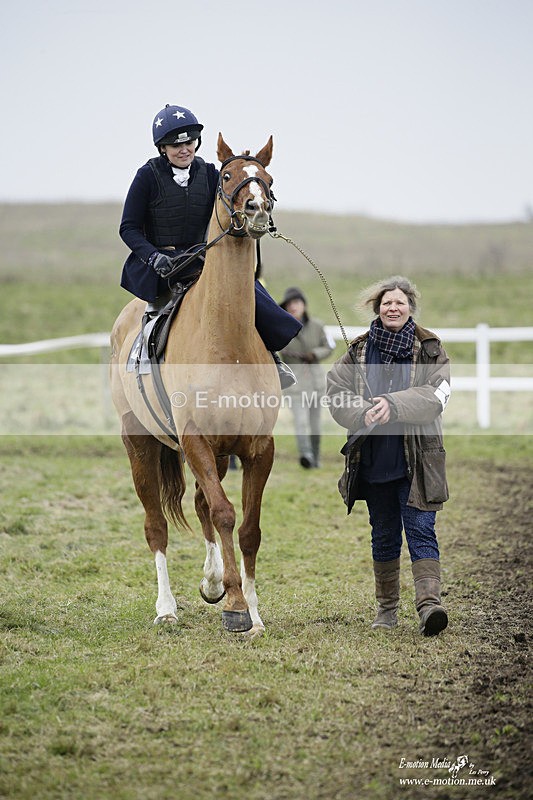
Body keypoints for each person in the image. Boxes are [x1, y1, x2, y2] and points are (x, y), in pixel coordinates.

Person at [118, 103, 301, 386]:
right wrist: (154, 257)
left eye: (189, 142)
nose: (184, 150)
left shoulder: (211, 173)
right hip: (163, 265)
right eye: (174, 145)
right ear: (162, 148)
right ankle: (143, 362)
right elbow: (127, 227)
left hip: (203, 260)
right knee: (157, 313)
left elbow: (234, 201)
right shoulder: (147, 176)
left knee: (250, 296)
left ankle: (273, 360)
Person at [325, 276, 451, 636]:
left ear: (410, 307)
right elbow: (335, 393)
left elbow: (437, 394)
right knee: (383, 534)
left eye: (399, 303)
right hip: (375, 461)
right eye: (386, 303)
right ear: (376, 309)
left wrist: (393, 405)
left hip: (418, 461)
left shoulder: (430, 349)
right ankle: (387, 610)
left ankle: (430, 607)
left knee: (421, 531)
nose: (392, 308)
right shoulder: (359, 350)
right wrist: (361, 411)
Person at [279, 287, 335, 468]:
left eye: (296, 303)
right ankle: (306, 456)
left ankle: (316, 457)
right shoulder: (282, 328)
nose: (293, 307)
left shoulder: (317, 326)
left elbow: (329, 346)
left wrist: (315, 354)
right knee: (301, 422)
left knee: (315, 425)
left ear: (304, 305)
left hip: (316, 382)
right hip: (294, 383)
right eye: (289, 305)